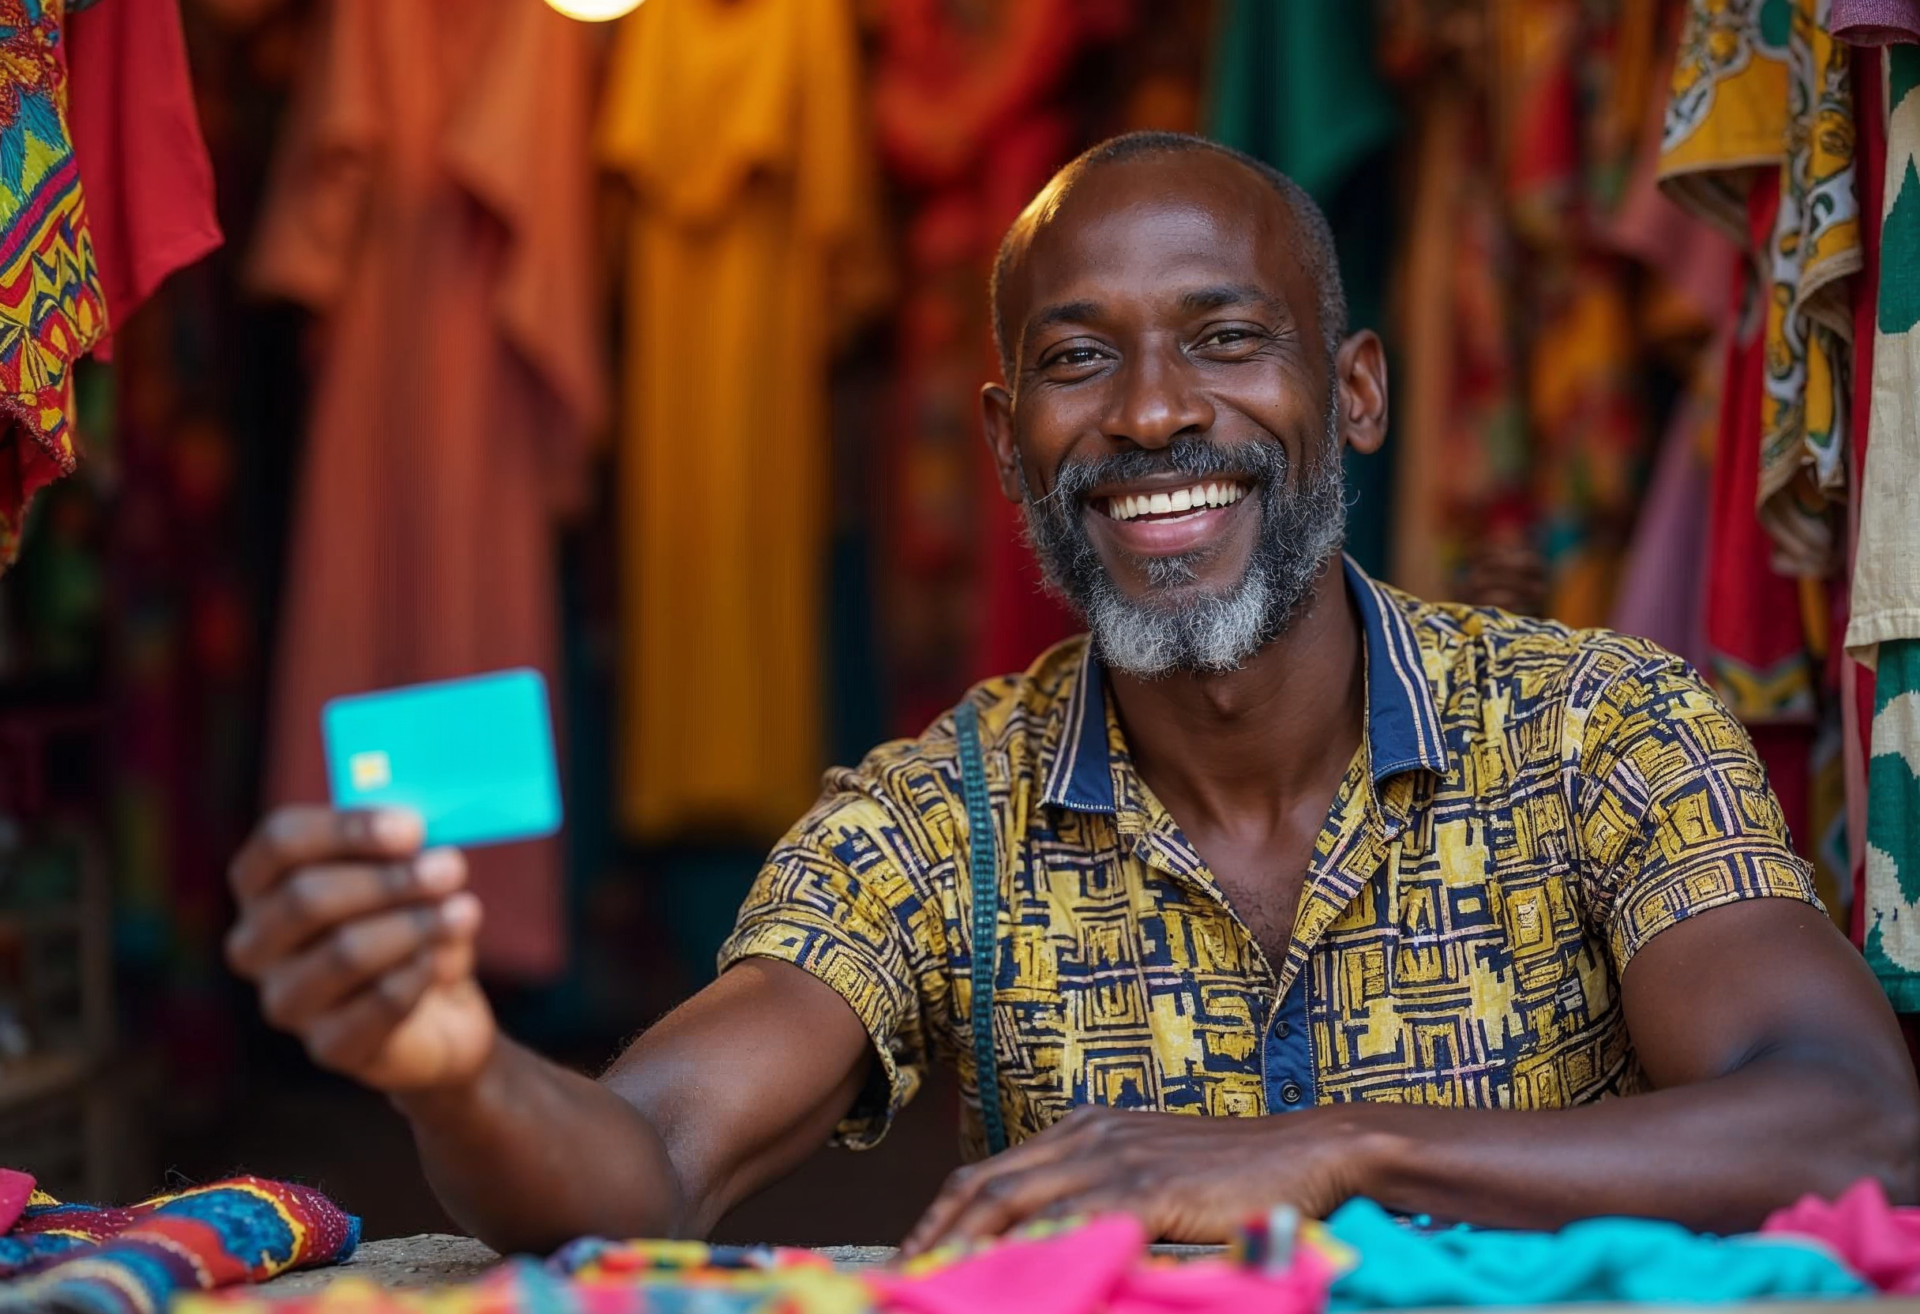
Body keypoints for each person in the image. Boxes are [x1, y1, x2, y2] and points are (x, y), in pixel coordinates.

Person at [224, 132, 1920, 1255]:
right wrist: (452, 1067)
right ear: (1004, 437)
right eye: (1077, 357)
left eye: (1223, 338)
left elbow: (1855, 1119)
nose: (1152, 415)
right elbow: (647, 1162)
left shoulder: (1599, 729)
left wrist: (1337, 1148)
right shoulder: (930, 815)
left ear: (1357, 392)